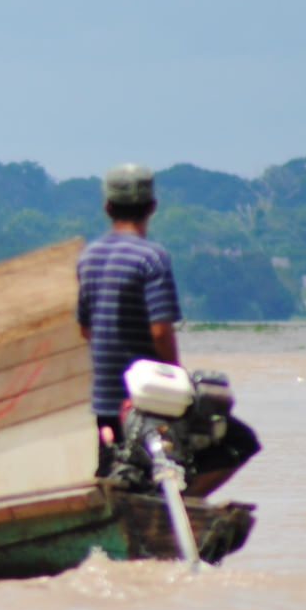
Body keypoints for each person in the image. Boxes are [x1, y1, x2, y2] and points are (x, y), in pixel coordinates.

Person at [76, 163, 181, 477]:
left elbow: (86, 329)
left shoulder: (89, 257)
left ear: (107, 207)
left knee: (113, 475)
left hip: (106, 402)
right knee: (237, 443)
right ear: (152, 207)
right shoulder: (151, 257)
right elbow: (160, 330)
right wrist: (176, 381)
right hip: (146, 402)